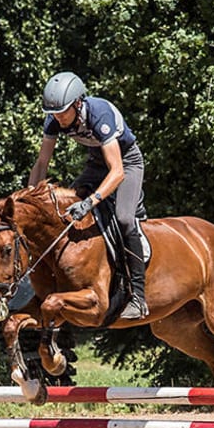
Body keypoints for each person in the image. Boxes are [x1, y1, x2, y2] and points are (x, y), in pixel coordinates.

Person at [28, 71, 148, 320]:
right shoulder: (54, 120)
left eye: (62, 112)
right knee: (67, 207)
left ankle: (138, 295)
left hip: (126, 163)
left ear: (78, 103)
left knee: (124, 219)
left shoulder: (99, 114)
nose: (58, 118)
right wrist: (29, 198)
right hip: (96, 163)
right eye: (54, 113)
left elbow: (116, 172)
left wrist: (91, 202)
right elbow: (42, 163)